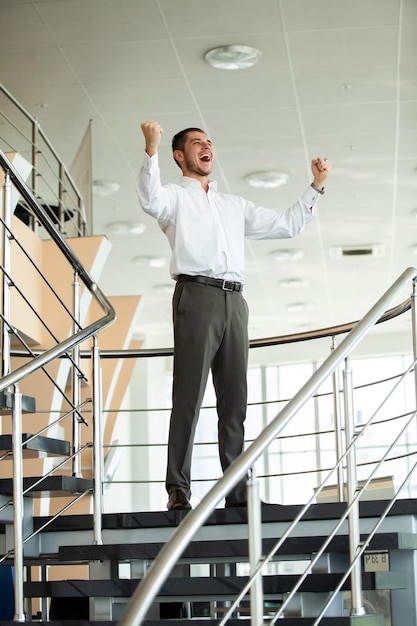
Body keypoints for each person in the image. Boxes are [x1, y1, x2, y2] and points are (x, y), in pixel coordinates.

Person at [136, 120, 331, 511]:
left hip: (235, 302)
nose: (206, 147)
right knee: (188, 396)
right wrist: (150, 149)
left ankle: (238, 493)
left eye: (209, 142)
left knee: (235, 401)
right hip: (196, 294)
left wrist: (316, 186)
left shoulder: (233, 205)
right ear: (180, 155)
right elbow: (150, 198)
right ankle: (178, 489)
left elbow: (285, 225)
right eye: (196, 143)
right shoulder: (174, 197)